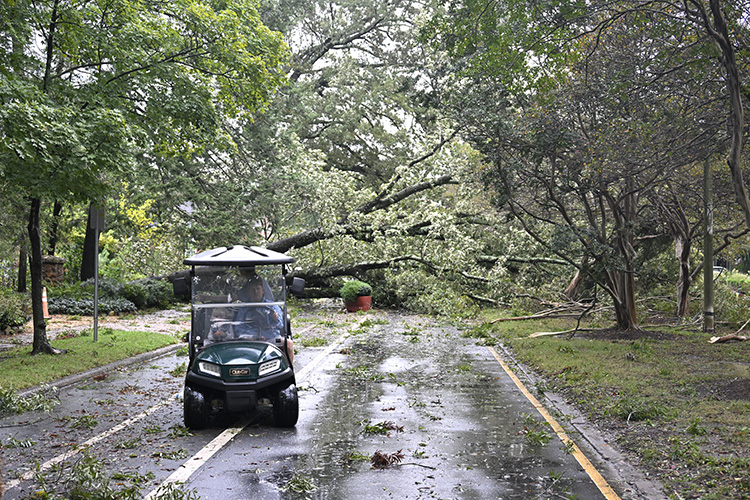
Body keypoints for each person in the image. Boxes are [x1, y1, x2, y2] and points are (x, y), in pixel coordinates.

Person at [235, 275, 294, 364]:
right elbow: (238, 328)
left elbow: (281, 325)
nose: (255, 292)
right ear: (249, 292)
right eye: (252, 290)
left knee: (288, 344)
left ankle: (289, 370)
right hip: (249, 340)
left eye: (258, 289)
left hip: (270, 338)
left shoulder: (272, 305)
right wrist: (251, 337)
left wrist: (275, 318)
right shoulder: (244, 308)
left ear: (263, 290)